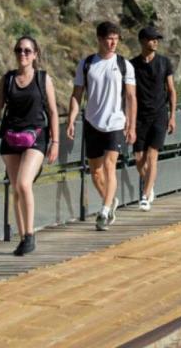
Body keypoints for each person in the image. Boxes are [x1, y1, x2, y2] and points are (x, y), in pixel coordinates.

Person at [0, 36, 60, 256]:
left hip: (36, 136)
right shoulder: (7, 80)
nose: (23, 54)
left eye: (28, 51)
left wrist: (55, 141)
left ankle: (30, 235)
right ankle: (23, 238)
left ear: (35, 54)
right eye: (19, 50)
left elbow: (53, 112)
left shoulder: (43, 79)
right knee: (16, 188)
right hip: (11, 137)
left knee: (23, 183)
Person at [66, 21, 137, 231]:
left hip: (115, 123)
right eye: (109, 38)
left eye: (116, 38)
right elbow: (77, 94)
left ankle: (104, 211)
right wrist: (71, 119)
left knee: (109, 166)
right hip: (92, 123)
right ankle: (110, 200)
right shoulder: (87, 64)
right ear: (99, 39)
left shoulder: (125, 65)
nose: (113, 42)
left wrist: (131, 125)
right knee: (95, 172)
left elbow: (131, 97)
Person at [130, 26, 176, 211]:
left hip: (159, 114)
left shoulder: (165, 63)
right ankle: (151, 186)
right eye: (151, 38)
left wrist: (172, 116)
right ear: (142, 41)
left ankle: (145, 195)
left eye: (157, 39)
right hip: (139, 116)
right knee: (139, 158)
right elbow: (128, 93)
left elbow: (172, 90)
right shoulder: (132, 65)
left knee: (152, 155)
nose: (155, 41)